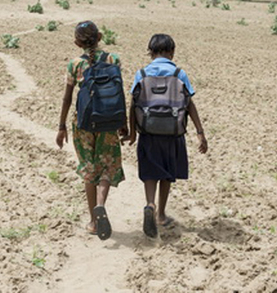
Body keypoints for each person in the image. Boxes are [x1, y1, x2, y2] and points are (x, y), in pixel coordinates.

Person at [125, 33, 208, 238]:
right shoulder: (179, 73)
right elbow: (189, 104)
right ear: (172, 52)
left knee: (150, 172)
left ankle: (150, 204)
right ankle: (161, 214)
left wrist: (132, 132)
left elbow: (133, 104)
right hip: (172, 134)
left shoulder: (141, 74)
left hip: (148, 133)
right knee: (167, 175)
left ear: (151, 52)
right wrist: (200, 133)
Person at [56, 20, 128, 240]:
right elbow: (119, 92)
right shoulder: (113, 59)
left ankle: (93, 222)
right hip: (109, 120)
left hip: (83, 123)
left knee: (89, 168)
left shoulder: (75, 64)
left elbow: (68, 98)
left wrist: (61, 127)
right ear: (99, 37)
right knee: (107, 165)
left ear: (77, 43)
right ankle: (100, 204)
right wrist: (123, 122)